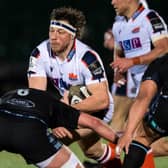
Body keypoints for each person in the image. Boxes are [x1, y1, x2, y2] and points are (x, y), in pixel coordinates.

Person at [27, 7, 119, 168]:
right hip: (69, 105)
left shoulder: (87, 57)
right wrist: (55, 118)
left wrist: (62, 113)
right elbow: (37, 97)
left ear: (72, 35)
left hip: (97, 109)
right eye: (51, 30)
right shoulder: (39, 54)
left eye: (60, 32)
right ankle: (117, 162)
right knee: (93, 152)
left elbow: (102, 100)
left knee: (48, 144)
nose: (53, 37)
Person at [110, 0, 168, 167]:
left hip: (158, 85)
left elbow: (163, 48)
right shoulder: (118, 25)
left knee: (137, 138)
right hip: (139, 88)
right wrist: (118, 70)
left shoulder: (149, 17)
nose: (112, 2)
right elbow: (119, 50)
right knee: (136, 138)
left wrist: (132, 61)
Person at [0, 88, 118, 168]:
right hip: (30, 134)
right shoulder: (58, 106)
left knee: (92, 150)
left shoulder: (10, 94)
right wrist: (121, 142)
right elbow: (94, 122)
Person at [116, 53, 168, 168]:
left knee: (143, 138)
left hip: (165, 112)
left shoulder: (161, 62)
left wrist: (128, 133)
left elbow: (144, 98)